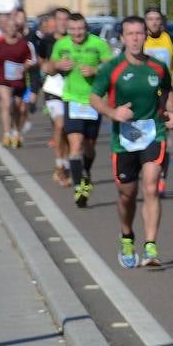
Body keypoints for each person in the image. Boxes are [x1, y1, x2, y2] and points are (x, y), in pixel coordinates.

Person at [89, 15, 173, 269]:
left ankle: (151, 246)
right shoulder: (112, 68)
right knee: (127, 194)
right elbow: (94, 97)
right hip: (124, 140)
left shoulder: (158, 67)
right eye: (130, 34)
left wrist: (171, 113)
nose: (136, 39)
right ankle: (127, 235)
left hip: (153, 133)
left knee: (151, 187)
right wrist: (113, 113)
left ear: (145, 36)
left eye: (140, 33)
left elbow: (166, 92)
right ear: (123, 38)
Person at [50, 12, 112, 208]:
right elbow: (49, 68)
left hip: (94, 100)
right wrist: (58, 65)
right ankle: (79, 187)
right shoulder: (61, 45)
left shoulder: (98, 44)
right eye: (73, 30)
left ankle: (85, 173)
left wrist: (96, 71)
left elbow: (111, 67)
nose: (77, 33)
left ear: (86, 28)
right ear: (68, 30)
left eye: (80, 29)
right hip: (72, 99)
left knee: (90, 147)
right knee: (75, 145)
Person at [144, 6, 173, 195]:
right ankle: (149, 174)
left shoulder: (170, 39)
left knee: (164, 139)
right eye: (150, 19)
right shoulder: (141, 39)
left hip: (166, 93)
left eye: (157, 19)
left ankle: (162, 178)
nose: (154, 22)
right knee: (147, 138)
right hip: (145, 96)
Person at [37, 8, 72, 186]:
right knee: (60, 125)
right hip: (53, 89)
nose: (63, 23)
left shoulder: (75, 41)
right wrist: (54, 65)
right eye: (60, 19)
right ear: (54, 21)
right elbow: (42, 65)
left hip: (72, 91)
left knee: (66, 132)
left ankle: (64, 165)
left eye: (66, 19)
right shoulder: (46, 41)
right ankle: (60, 167)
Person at [0, 14, 34, 148]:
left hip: (18, 80)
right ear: (5, 28)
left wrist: (24, 67)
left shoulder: (23, 44)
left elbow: (29, 60)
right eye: (9, 27)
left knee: (17, 108)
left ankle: (16, 132)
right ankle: (6, 133)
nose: (11, 29)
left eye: (14, 27)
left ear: (17, 28)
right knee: (6, 104)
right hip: (4, 79)